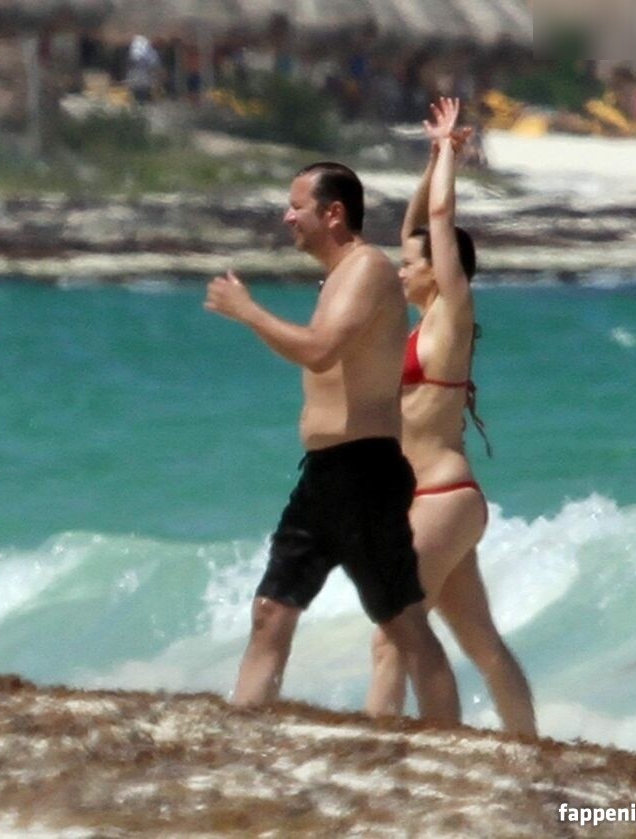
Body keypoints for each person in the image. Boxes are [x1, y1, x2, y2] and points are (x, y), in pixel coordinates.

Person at [204, 162, 460, 724]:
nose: (287, 216)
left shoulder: (367, 268)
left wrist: (248, 311)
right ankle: (243, 728)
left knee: (404, 624)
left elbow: (321, 351)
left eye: (298, 206)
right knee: (272, 610)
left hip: (365, 471)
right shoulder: (341, 275)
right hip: (323, 473)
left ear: (334, 213)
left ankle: (450, 738)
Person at [366, 99, 536, 735]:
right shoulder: (419, 326)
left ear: (439, 272)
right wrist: (433, 158)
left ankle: (374, 748)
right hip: (425, 501)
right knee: (481, 642)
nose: (400, 269)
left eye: (410, 264)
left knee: (391, 631)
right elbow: (416, 223)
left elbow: (437, 220)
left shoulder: (450, 318)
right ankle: (529, 747)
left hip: (444, 496)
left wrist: (448, 157)